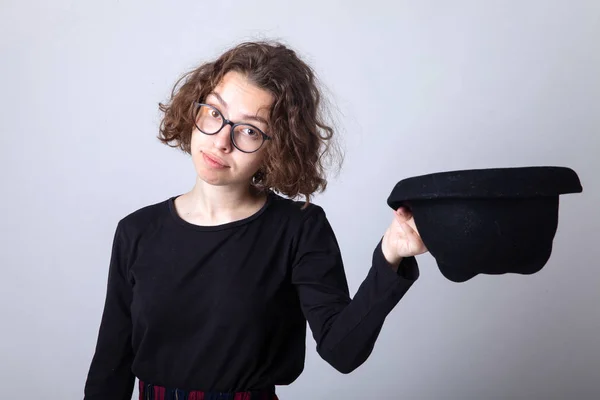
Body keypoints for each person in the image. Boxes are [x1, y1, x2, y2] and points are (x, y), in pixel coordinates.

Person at [83, 40, 428, 400]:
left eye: (249, 130)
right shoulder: (137, 231)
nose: (221, 141)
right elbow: (111, 364)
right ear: (194, 110)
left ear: (276, 147)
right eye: (214, 113)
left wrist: (390, 256)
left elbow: (343, 351)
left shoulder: (299, 228)